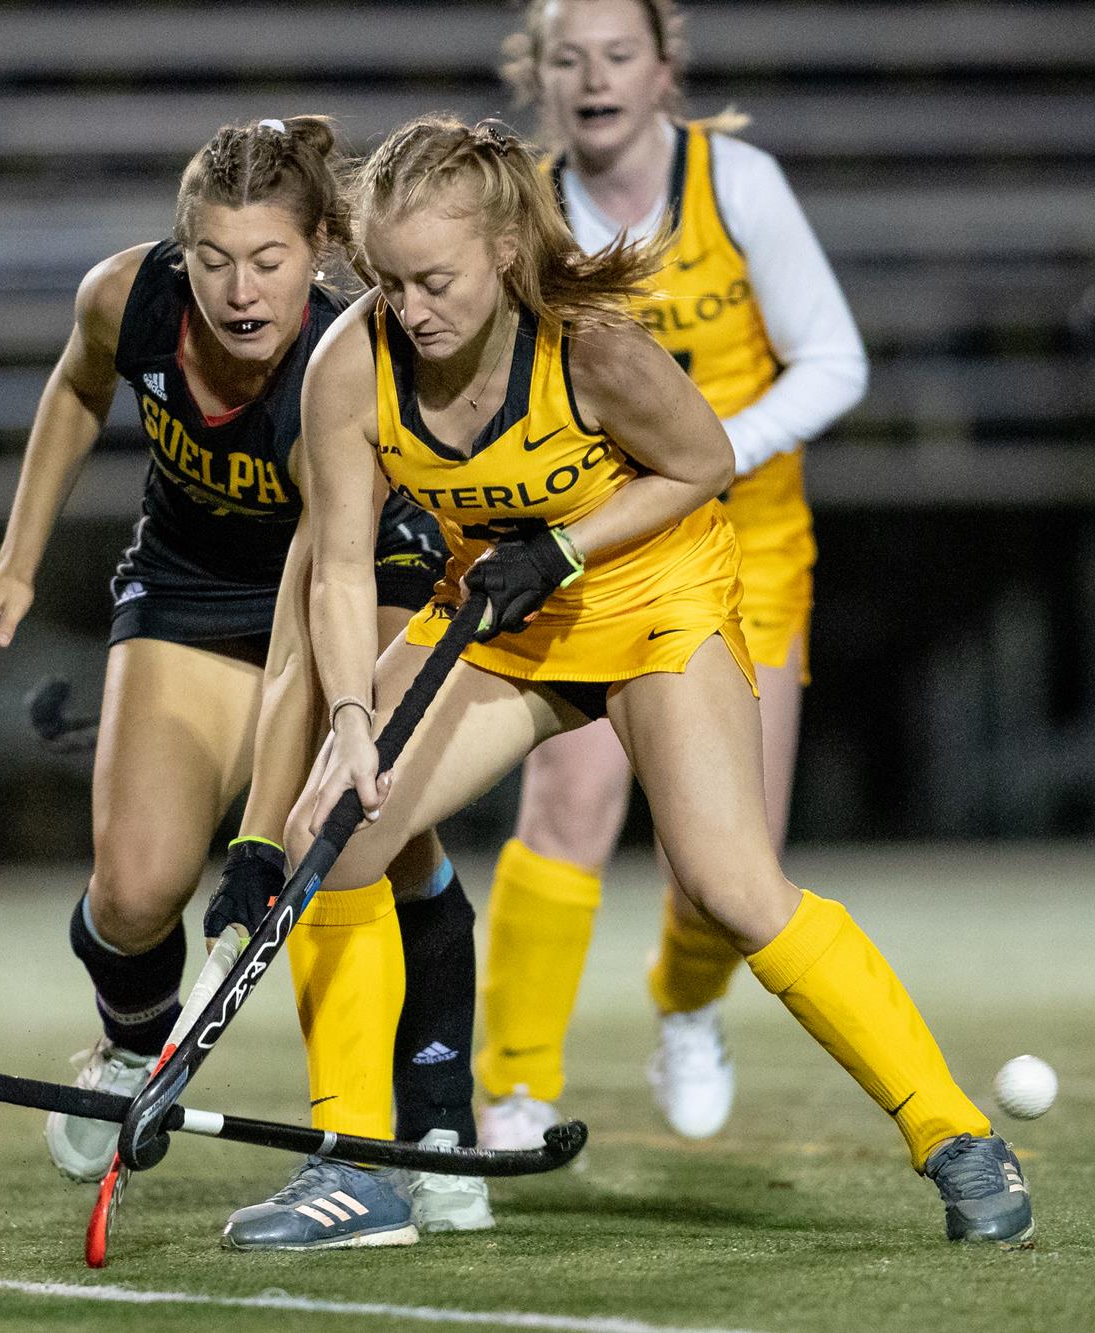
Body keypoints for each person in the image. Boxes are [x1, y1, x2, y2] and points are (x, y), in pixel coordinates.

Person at [232, 112, 1029, 1247]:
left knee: (728, 884)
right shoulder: (347, 366)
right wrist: (351, 717)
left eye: (436, 281)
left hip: (655, 607)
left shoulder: (591, 347)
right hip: (504, 622)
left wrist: (559, 548)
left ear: (504, 253)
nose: (410, 310)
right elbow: (338, 564)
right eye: (390, 281)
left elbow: (701, 462)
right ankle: (360, 1169)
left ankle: (954, 1132)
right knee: (338, 827)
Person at [0, 116, 488, 1246]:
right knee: (133, 896)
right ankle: (133, 1037)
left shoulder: (342, 370)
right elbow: (76, 386)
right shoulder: (126, 299)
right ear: (180, 250)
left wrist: (254, 847)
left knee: (367, 830)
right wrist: (16, 560)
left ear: (322, 250)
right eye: (215, 259)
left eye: (269, 261)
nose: (240, 290)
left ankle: (431, 1122)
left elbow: (308, 603)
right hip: (184, 589)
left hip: (347, 578)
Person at [474, 0, 869, 1151]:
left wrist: (701, 456)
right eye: (567, 57)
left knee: (729, 865)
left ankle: (686, 1010)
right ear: (537, 77)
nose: (593, 77)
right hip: (594, 554)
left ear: (663, 71)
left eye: (617, 53)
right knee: (567, 806)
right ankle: (511, 1088)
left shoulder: (735, 183)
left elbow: (833, 360)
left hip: (747, 555)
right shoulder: (524, 214)